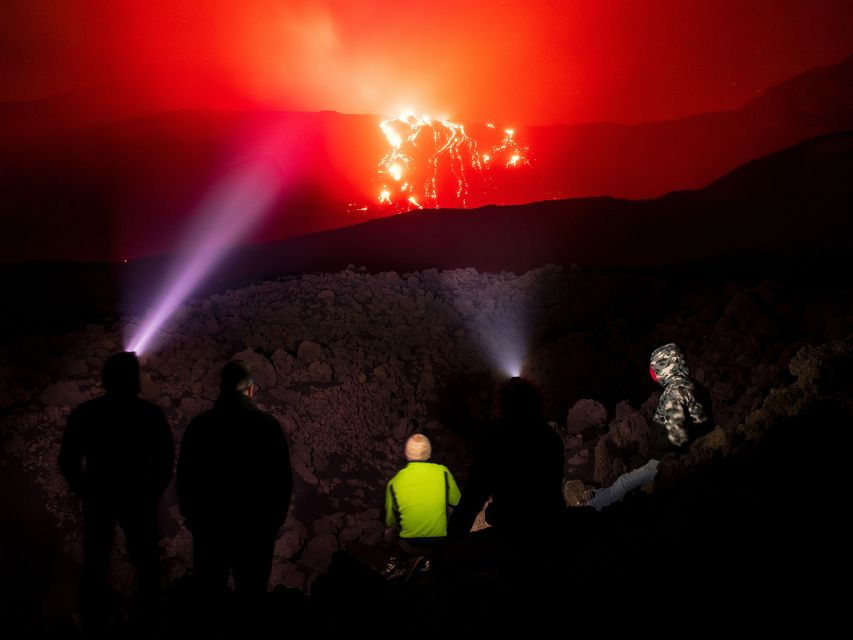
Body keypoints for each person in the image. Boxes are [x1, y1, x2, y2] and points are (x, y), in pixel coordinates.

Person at [58, 351, 174, 634]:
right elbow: (165, 458)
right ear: (133, 380)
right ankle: (149, 621)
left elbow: (67, 459)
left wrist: (84, 487)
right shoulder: (149, 414)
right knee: (146, 561)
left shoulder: (86, 413)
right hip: (137, 495)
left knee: (96, 560)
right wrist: (153, 490)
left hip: (100, 494)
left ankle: (94, 623)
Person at [177, 360, 292, 601]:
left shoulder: (201, 425)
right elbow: (281, 479)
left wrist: (191, 515)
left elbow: (186, 475)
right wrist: (275, 518)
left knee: (209, 592)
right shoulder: (267, 426)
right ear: (250, 389)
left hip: (210, 522)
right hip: (256, 525)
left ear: (221, 387)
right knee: (252, 591)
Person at [587, 342, 714, 510]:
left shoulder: (673, 393)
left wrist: (656, 444)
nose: (653, 372)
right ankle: (599, 495)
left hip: (668, 461)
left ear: (666, 365)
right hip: (682, 455)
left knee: (625, 483)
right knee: (627, 480)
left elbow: (678, 439)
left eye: (656, 366)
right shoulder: (691, 385)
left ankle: (592, 506)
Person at [448, 377, 565, 537]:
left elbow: (474, 493)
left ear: (506, 404)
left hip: (512, 529)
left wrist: (452, 537)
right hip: (551, 526)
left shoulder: (497, 437)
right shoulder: (551, 437)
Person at [384, 433, 461, 562]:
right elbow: (457, 501)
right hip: (439, 542)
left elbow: (390, 519)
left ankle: (400, 560)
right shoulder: (443, 472)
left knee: (391, 526)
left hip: (409, 545)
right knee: (449, 507)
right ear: (429, 454)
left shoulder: (395, 481)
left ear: (407, 454)